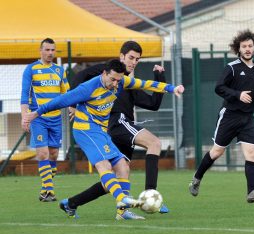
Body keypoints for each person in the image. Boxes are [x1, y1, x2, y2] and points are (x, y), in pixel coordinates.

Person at [23, 59, 184, 220]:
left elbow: (145, 84)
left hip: (101, 131)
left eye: (118, 80)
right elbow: (60, 101)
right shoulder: (89, 88)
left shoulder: (121, 81)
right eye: (112, 79)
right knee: (104, 166)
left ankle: (118, 212)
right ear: (104, 74)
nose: (115, 84)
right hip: (85, 130)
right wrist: (35, 114)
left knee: (122, 167)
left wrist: (171, 88)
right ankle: (122, 199)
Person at [59, 41, 169, 220]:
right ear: (121, 56)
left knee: (118, 175)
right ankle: (151, 194)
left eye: (137, 59)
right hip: (116, 122)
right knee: (154, 143)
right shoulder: (106, 70)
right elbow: (79, 77)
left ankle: (71, 203)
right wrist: (72, 105)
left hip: (117, 128)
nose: (133, 62)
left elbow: (153, 104)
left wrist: (159, 78)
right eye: (131, 57)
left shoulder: (128, 83)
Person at [188, 29, 254, 203]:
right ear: (238, 49)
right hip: (230, 116)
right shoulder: (232, 68)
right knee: (217, 151)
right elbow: (219, 88)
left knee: (251, 152)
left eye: (250, 46)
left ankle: (252, 191)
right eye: (244, 46)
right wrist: (238, 94)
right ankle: (197, 178)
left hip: (247, 118)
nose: (247, 49)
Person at [20, 38, 70, 202]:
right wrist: (24, 117)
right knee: (43, 154)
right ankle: (50, 191)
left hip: (55, 118)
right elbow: (24, 95)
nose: (50, 53)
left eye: (52, 50)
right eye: (47, 50)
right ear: (40, 51)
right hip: (38, 118)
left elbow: (67, 93)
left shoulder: (59, 70)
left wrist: (72, 107)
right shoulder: (31, 69)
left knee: (54, 155)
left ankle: (44, 189)